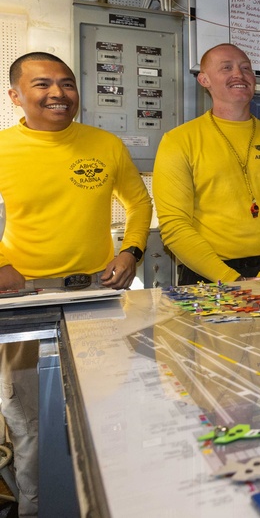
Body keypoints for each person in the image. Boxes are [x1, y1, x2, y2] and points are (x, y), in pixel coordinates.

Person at [0, 52, 152, 518]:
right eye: (42, 84)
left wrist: (132, 252)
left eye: (66, 83)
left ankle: (110, 503)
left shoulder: (104, 144)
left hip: (98, 295)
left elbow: (138, 202)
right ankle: (35, 508)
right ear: (15, 96)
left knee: (108, 406)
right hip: (23, 304)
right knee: (29, 419)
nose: (58, 94)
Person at [153, 43, 260, 284]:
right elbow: (175, 226)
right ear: (204, 80)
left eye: (246, 68)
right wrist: (230, 279)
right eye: (227, 67)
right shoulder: (178, 141)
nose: (239, 74)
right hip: (207, 274)